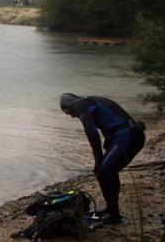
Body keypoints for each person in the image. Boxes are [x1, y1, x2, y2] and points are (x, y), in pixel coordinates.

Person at [60, 93, 146, 225]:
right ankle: (111, 211)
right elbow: (112, 120)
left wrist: (98, 159)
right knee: (108, 171)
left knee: (103, 171)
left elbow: (92, 133)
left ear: (71, 105)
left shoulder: (81, 105)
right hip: (132, 135)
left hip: (127, 136)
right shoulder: (92, 101)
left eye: (69, 112)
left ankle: (113, 214)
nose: (71, 116)